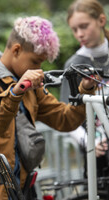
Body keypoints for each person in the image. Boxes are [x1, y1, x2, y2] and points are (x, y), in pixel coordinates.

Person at [0, 16, 97, 200]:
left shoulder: (29, 86)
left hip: (22, 189)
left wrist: (86, 89)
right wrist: (16, 91)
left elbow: (65, 120)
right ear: (17, 50)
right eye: (36, 61)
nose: (39, 68)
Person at [60, 0, 109, 187]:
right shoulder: (74, 65)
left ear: (101, 20)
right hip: (98, 153)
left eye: (84, 26)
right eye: (74, 29)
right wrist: (88, 142)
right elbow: (67, 116)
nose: (79, 34)